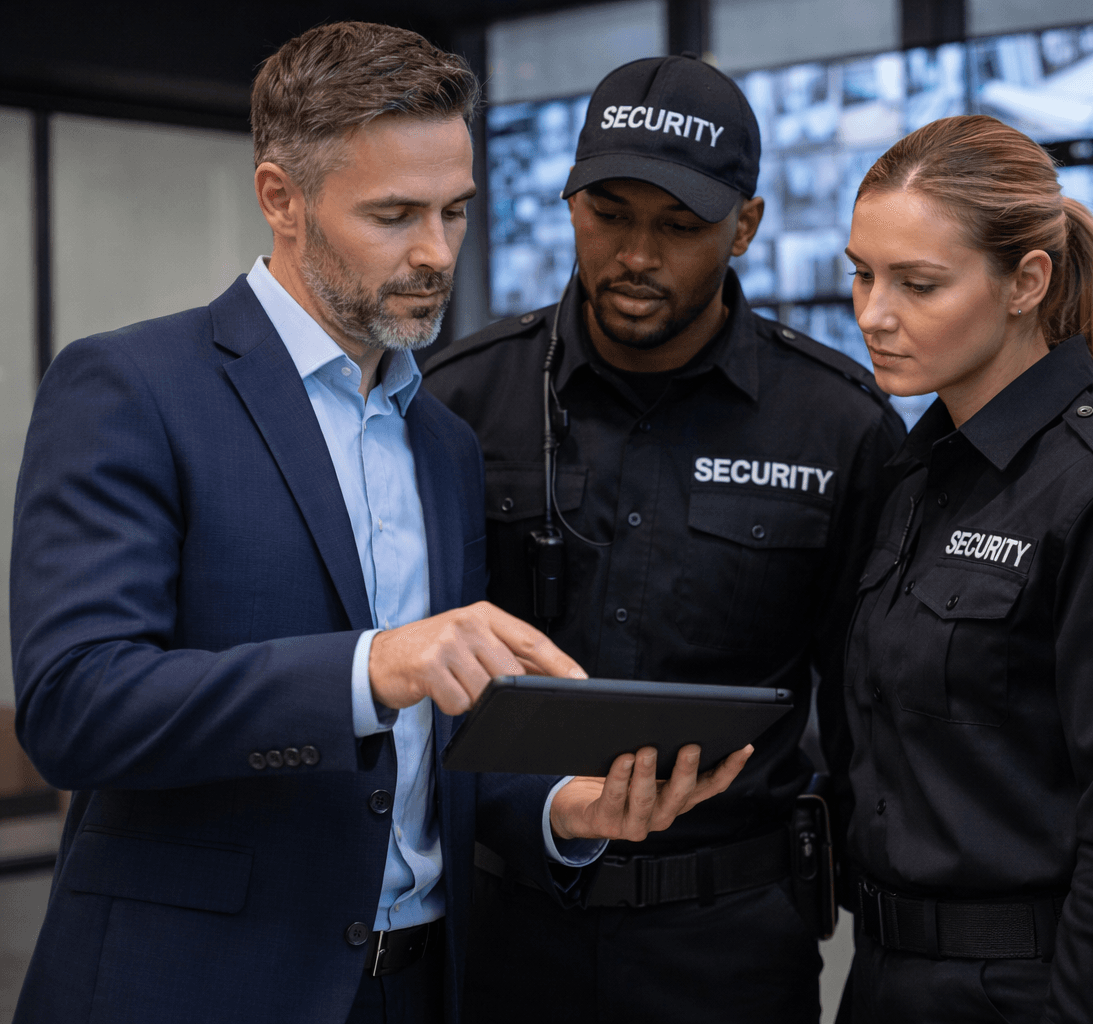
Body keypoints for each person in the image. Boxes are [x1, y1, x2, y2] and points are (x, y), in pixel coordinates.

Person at [9, 23, 745, 1024]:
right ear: (282, 197)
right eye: (394, 214)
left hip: (414, 985)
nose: (435, 253)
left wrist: (562, 809)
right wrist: (372, 666)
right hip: (195, 985)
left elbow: (427, 754)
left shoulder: (439, 439)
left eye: (455, 211)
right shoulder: (131, 386)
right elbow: (74, 708)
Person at [424, 53, 905, 1024]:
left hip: (729, 943)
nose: (637, 254)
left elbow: (871, 715)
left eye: (681, 227)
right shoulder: (460, 401)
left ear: (747, 228)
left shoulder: (838, 425)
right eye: (609, 215)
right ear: (569, 207)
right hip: (504, 929)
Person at [834, 114, 1093, 1023]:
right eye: (862, 274)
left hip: (1028, 990)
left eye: (919, 284)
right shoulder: (914, 473)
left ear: (1025, 283)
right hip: (883, 975)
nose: (875, 314)